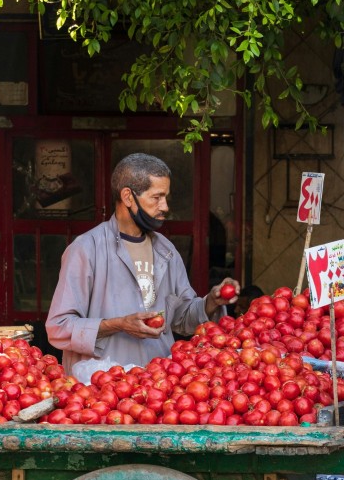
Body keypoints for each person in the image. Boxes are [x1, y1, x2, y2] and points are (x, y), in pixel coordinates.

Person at [46, 152, 240, 375]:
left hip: (156, 387)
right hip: (101, 390)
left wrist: (212, 301)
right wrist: (119, 324)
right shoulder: (87, 249)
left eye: (166, 197)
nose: (165, 206)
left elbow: (182, 319)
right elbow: (59, 327)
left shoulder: (166, 251)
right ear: (128, 197)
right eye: (156, 197)